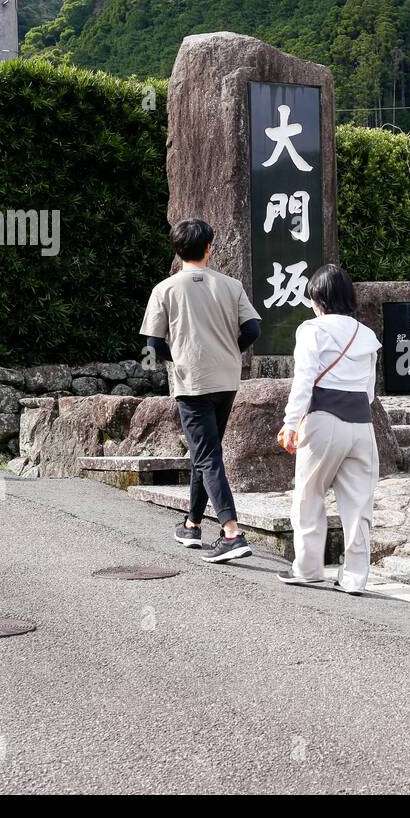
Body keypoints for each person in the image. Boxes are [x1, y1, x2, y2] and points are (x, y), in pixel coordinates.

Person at [139, 218, 261, 563]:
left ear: (178, 251)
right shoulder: (231, 285)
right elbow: (252, 330)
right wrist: (230, 350)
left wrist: (177, 356)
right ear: (209, 248)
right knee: (205, 452)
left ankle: (232, 532)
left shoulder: (165, 290)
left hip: (191, 381)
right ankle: (192, 525)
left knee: (207, 455)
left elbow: (152, 345)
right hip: (227, 379)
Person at [276, 264, 381, 595]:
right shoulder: (366, 335)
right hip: (362, 425)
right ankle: (354, 576)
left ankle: (308, 567)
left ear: (317, 298)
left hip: (323, 420)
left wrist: (290, 423)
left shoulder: (312, 330)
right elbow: (369, 390)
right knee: (358, 504)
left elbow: (304, 380)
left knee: (309, 496)